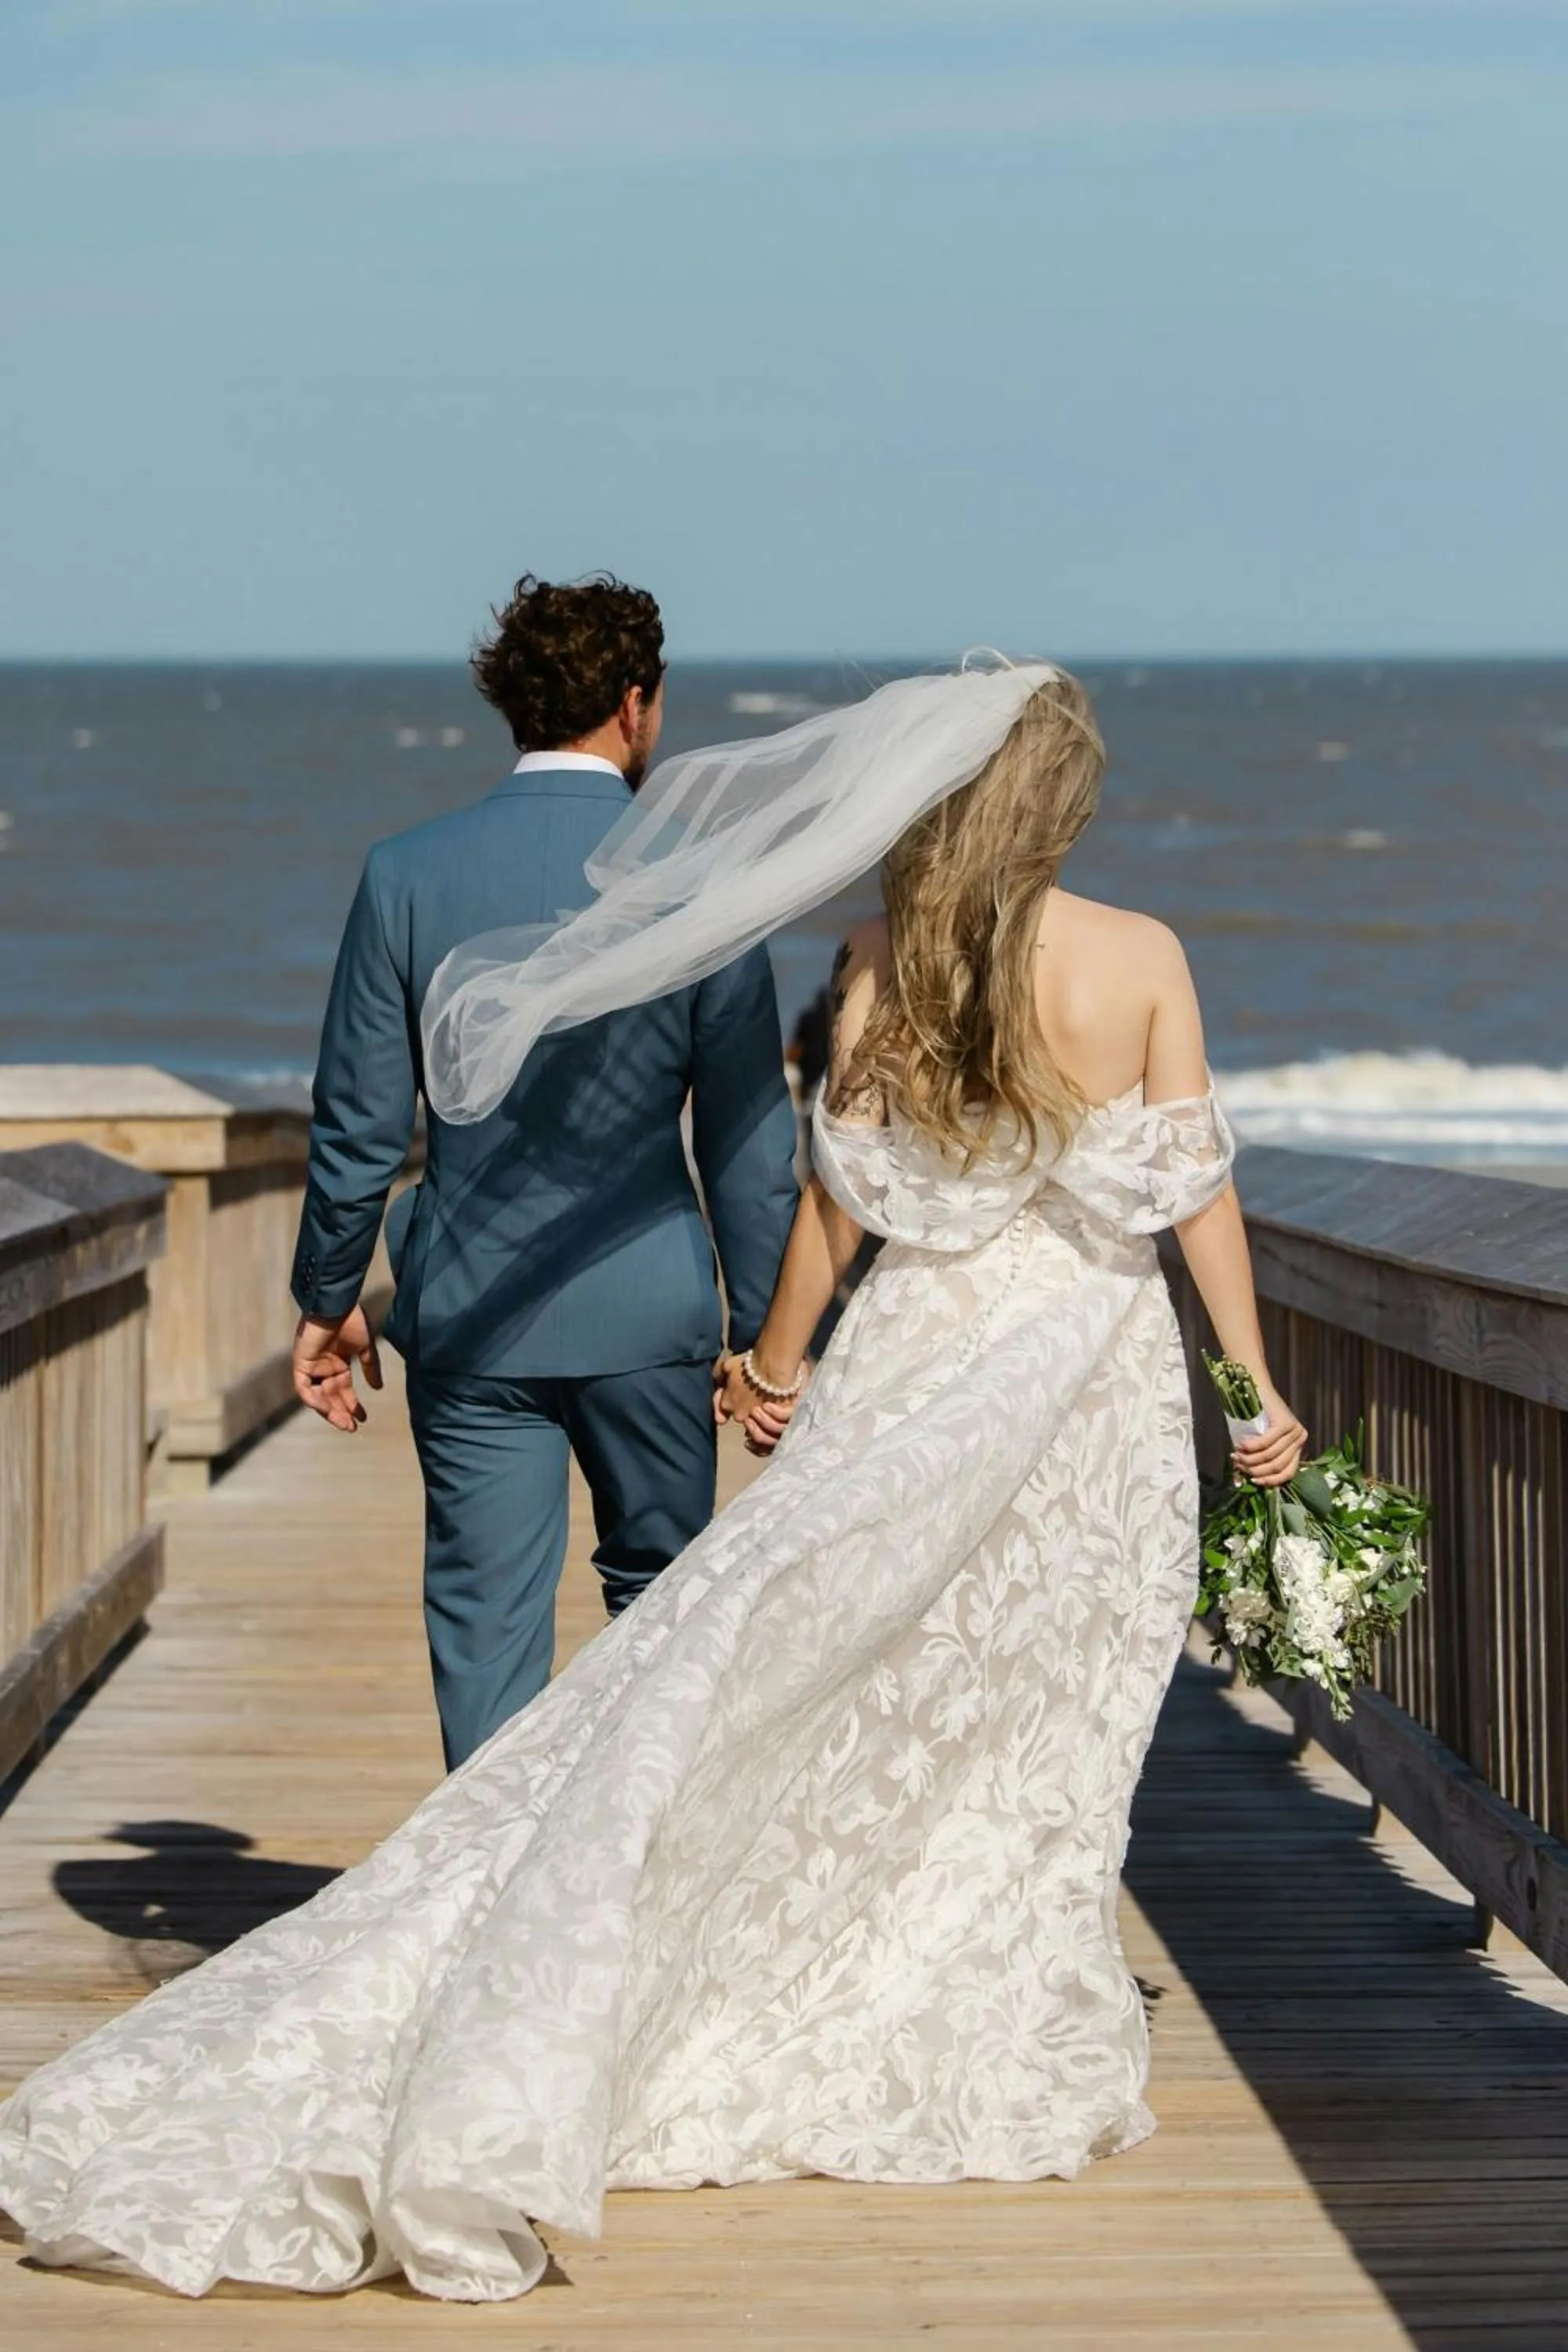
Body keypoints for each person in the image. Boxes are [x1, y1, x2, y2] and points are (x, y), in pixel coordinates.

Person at [0, 660, 1305, 2302]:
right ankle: (964, 2005)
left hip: (916, 1363)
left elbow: (835, 1201)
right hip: (1085, 1386)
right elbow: (1196, 1202)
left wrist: (775, 1366)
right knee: (1041, 1710)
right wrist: (1249, 1392)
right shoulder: (1143, 961)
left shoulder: (880, 958)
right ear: (1058, 801)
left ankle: (799, 1967)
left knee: (828, 1674)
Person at [287, 574, 800, 1769]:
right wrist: (765, 1336)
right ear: (635, 703)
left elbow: (357, 1122)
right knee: (665, 1630)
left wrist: (326, 1299)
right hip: (652, 1314)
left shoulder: (405, 873)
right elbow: (746, 1134)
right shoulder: (702, 878)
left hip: (473, 1316)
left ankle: (490, 1926)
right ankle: (635, 1915)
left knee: (486, 1642)